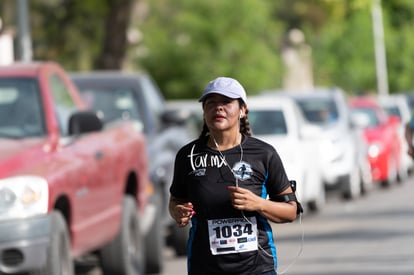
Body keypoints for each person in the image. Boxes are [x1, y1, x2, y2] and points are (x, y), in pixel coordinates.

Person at [169, 76, 300, 275]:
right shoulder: (188, 155)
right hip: (204, 268)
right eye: (211, 103)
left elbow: (291, 211)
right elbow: (175, 200)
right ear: (204, 111)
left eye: (226, 102)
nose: (218, 108)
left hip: (257, 268)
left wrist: (259, 204)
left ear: (242, 110)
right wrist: (178, 212)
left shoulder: (264, 154)